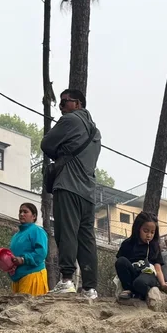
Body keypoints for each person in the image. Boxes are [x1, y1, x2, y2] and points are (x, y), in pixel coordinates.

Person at [41, 87, 100, 299]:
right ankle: (90, 288)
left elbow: (46, 144)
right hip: (88, 192)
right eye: (61, 103)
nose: (62, 106)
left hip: (68, 186)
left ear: (78, 103)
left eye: (65, 102)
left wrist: (61, 152)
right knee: (86, 238)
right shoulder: (96, 132)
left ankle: (66, 280)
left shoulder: (69, 121)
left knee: (66, 232)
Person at [114, 211, 167, 301]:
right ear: (138, 228)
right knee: (121, 261)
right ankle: (128, 290)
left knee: (140, 283)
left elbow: (158, 269)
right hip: (133, 273)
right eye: (146, 231)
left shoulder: (154, 247)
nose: (149, 235)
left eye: (152, 232)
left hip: (148, 275)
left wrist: (163, 284)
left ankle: (143, 293)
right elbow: (122, 266)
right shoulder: (127, 244)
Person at [9, 202, 50, 295]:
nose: (21, 214)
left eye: (25, 212)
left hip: (32, 275)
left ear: (34, 216)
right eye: (20, 212)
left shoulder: (37, 231)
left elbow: (41, 253)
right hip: (17, 277)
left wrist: (23, 259)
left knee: (26, 307)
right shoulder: (17, 235)